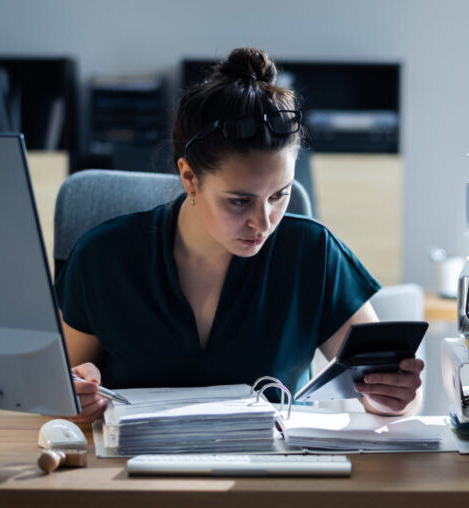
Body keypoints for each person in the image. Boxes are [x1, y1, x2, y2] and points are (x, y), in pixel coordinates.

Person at [56, 47, 423, 424]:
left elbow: (395, 391)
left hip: (274, 474)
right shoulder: (104, 257)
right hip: (139, 474)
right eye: (239, 201)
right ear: (189, 178)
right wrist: (76, 399)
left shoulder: (313, 253)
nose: (263, 222)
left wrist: (392, 398)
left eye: (280, 195)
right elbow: (62, 393)